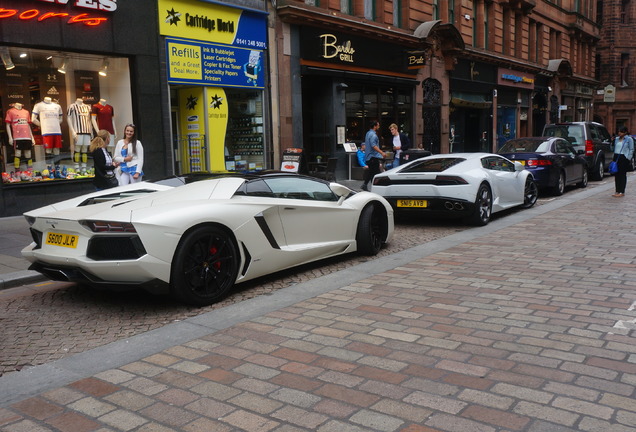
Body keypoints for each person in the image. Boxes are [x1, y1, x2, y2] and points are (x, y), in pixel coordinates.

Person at [5, 102, 35, 171]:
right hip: (17, 137)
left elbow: (28, 125)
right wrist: (10, 137)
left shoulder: (26, 112)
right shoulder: (10, 111)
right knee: (17, 154)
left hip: (27, 136)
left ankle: (29, 171)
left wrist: (32, 137)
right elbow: (7, 125)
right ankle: (17, 172)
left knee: (28, 154)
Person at [361, 120, 385, 191]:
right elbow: (373, 145)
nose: (379, 126)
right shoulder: (373, 135)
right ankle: (375, 187)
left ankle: (366, 185)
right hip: (373, 157)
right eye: (378, 125)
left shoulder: (368, 133)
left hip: (369, 157)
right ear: (375, 126)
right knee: (376, 173)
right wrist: (382, 152)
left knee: (372, 172)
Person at [611, 126, 634, 197]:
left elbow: (631, 149)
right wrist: (612, 142)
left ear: (625, 132)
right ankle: (617, 190)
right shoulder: (617, 139)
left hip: (623, 157)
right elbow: (612, 148)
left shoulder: (629, 139)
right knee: (616, 175)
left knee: (622, 175)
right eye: (618, 131)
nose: (619, 133)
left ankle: (622, 191)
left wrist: (628, 158)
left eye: (621, 132)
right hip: (616, 157)